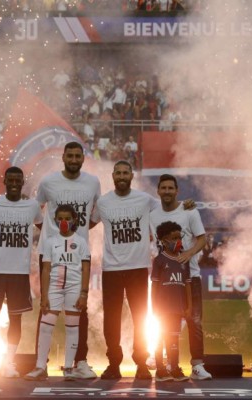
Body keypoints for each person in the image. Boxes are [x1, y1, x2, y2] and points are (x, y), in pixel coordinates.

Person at [35, 141, 100, 379]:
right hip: (50, 251)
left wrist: (78, 233)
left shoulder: (92, 182)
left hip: (78, 252)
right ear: (63, 157)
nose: (73, 159)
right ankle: (40, 364)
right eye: (69, 156)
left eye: (77, 156)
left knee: (80, 309)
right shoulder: (48, 181)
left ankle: (79, 362)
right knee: (46, 307)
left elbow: (95, 215)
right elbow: (36, 210)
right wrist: (50, 234)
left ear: (83, 158)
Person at [90, 160, 157, 380]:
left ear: (131, 176)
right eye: (117, 173)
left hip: (138, 268)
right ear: (112, 175)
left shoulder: (145, 200)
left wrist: (185, 207)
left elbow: (168, 210)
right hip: (112, 269)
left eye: (125, 173)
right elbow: (86, 223)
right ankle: (114, 364)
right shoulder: (104, 202)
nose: (121, 176)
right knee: (112, 319)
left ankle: (141, 363)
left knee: (140, 317)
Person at [0, 166, 42, 378]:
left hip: (19, 273)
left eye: (17, 180)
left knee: (16, 319)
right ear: (4, 181)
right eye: (10, 179)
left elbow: (45, 229)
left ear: (23, 183)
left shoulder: (32, 206)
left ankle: (9, 363)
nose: (14, 183)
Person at [150, 174, 212, 380]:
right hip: (166, 279)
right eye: (163, 188)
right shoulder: (152, 215)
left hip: (189, 275)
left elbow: (202, 239)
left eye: (171, 188)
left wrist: (188, 253)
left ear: (177, 191)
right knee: (163, 320)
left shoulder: (189, 211)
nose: (167, 191)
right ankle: (162, 360)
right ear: (158, 191)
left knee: (193, 320)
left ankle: (197, 365)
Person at [25, 205, 91, 381]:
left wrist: (84, 293)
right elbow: (45, 270)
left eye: (67, 219)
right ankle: (40, 366)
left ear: (74, 220)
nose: (64, 222)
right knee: (46, 326)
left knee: (72, 328)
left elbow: (86, 268)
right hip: (54, 287)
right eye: (60, 219)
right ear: (55, 221)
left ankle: (69, 368)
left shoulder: (82, 241)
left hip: (74, 288)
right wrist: (44, 295)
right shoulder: (49, 242)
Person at [151, 221, 191, 382]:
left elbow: (187, 285)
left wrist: (189, 306)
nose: (178, 241)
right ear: (164, 241)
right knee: (160, 337)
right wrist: (153, 306)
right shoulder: (159, 260)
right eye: (173, 238)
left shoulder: (183, 260)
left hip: (178, 308)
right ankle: (160, 369)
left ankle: (174, 367)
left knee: (173, 338)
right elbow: (154, 286)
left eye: (179, 237)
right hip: (162, 309)